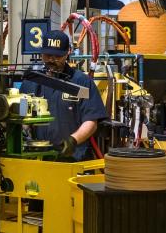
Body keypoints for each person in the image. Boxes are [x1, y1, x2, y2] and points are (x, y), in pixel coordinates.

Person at [18, 30, 107, 161]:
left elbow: (91, 120)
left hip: (74, 159)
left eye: (57, 56)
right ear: (42, 53)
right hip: (40, 160)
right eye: (48, 55)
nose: (52, 60)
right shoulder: (31, 82)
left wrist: (73, 140)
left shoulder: (81, 82)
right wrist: (24, 130)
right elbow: (21, 114)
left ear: (67, 53)